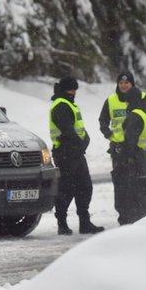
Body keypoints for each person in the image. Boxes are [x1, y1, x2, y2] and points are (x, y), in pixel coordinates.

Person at [98, 72, 146, 224]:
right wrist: (109, 134)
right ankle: (124, 215)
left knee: (137, 184)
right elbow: (103, 120)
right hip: (118, 148)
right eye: (121, 83)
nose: (124, 86)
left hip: (137, 151)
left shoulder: (143, 98)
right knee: (121, 183)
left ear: (132, 84)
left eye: (127, 83)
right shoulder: (111, 100)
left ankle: (137, 215)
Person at [49, 76, 104, 235]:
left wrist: (85, 139)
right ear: (66, 90)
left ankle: (84, 222)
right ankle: (62, 223)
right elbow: (68, 131)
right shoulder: (61, 106)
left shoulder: (69, 104)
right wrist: (80, 143)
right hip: (65, 154)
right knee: (67, 189)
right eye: (71, 90)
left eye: (75, 90)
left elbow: (77, 128)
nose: (74, 92)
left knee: (84, 187)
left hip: (76, 153)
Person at [110, 94, 146, 224]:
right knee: (144, 190)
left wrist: (125, 157)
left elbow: (130, 141)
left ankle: (130, 220)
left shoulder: (135, 116)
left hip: (136, 160)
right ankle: (145, 217)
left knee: (129, 192)